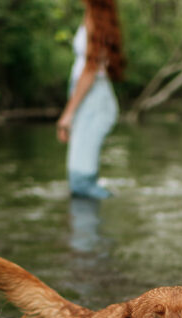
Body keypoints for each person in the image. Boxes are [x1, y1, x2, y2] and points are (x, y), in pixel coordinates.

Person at [56, 0, 125, 200]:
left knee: (80, 183)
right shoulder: (93, 17)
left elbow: (90, 71)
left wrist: (68, 114)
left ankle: (95, 227)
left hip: (94, 100)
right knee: (81, 179)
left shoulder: (98, 20)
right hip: (89, 98)